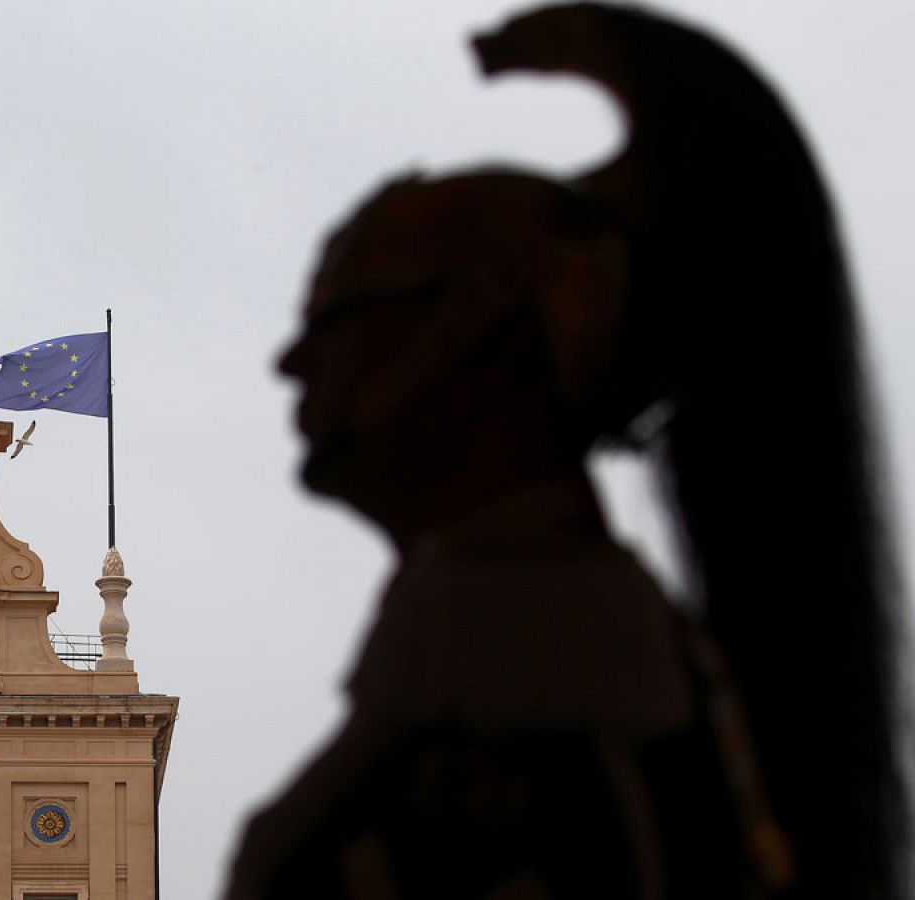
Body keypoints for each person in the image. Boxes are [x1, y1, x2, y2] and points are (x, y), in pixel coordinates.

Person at [225, 5, 905, 899]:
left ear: (490, 337)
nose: (293, 360)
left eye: (343, 317)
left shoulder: (538, 685)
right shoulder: (545, 663)